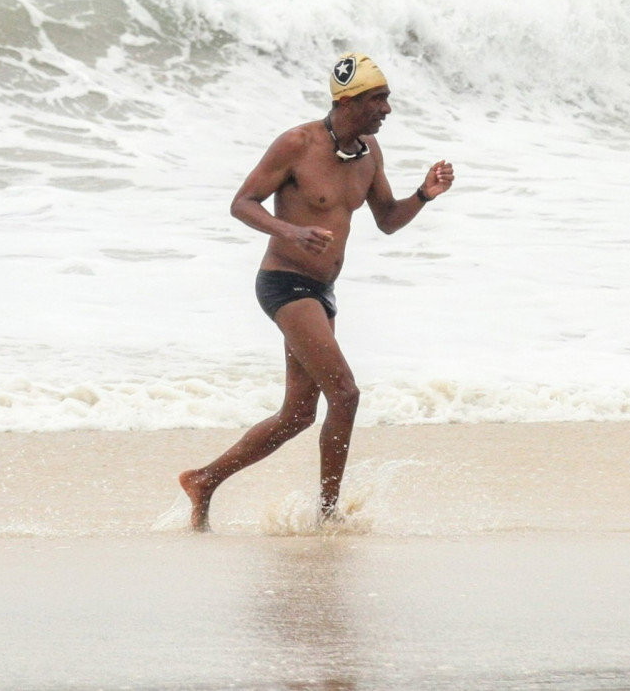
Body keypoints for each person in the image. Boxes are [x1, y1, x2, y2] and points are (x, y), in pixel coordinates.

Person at [178, 53, 454, 531]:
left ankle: (204, 480)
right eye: (377, 99)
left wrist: (424, 195)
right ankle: (327, 515)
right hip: (285, 284)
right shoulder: (297, 144)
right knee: (345, 393)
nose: (387, 109)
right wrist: (290, 231)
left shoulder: (368, 154)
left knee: (298, 416)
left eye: (386, 98)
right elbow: (241, 204)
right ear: (347, 101)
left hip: (322, 291)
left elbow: (387, 220)